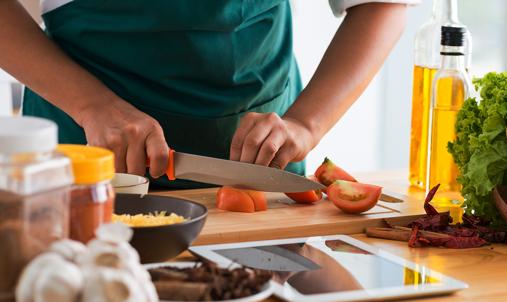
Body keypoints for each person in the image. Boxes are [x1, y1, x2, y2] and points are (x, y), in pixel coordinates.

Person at [0, 0, 418, 187]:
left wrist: (305, 123)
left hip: (259, 176)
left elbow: (381, 4)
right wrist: (92, 106)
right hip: (91, 163)